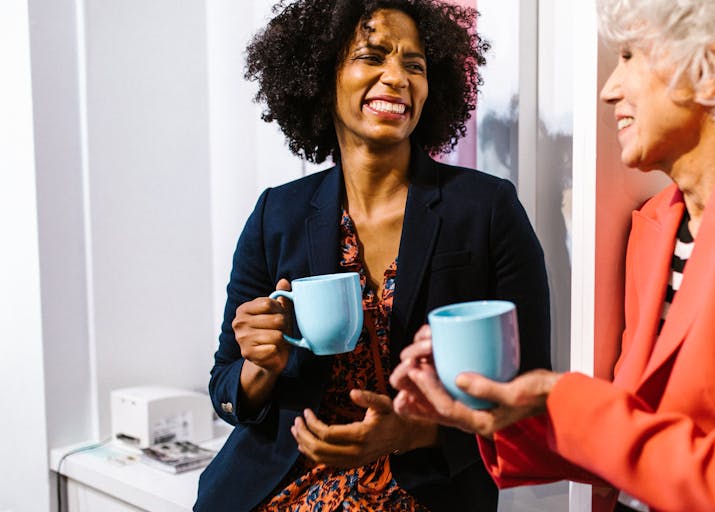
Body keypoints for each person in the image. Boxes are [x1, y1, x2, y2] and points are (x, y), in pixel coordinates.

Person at [390, 0, 715, 510]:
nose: (608, 90)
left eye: (630, 56)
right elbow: (639, 438)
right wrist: (483, 408)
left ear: (710, 69)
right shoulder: (658, 224)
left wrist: (559, 396)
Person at [194, 1, 550, 510]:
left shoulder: (488, 209)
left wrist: (411, 432)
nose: (397, 78)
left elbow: (530, 397)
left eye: (414, 65)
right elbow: (225, 390)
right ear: (323, 74)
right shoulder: (278, 213)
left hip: (422, 491)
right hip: (275, 490)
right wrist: (258, 367)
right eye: (373, 56)